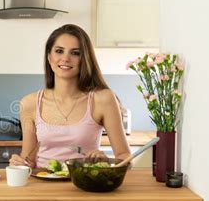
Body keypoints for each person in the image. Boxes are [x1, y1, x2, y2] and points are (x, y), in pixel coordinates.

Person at [9, 24, 131, 168]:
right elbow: (29, 160)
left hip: (85, 186)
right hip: (43, 186)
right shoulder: (29, 103)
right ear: (49, 57)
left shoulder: (103, 99)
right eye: (59, 51)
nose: (65, 58)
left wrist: (106, 161)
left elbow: (126, 158)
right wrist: (21, 163)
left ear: (84, 58)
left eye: (75, 53)